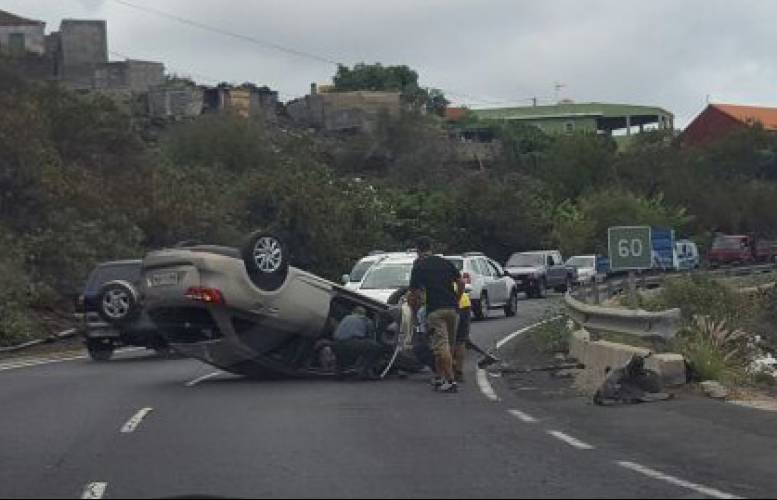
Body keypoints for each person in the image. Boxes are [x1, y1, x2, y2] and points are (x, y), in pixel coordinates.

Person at [408, 236, 465, 393]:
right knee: (448, 346)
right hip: (453, 309)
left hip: (435, 311)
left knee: (440, 347)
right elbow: (461, 282)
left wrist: (414, 313)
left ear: (418, 250)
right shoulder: (445, 262)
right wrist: (457, 299)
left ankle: (450, 381)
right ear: (430, 248)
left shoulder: (419, 266)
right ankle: (440, 378)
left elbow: (414, 294)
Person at [332, 306, 386, 380]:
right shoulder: (366, 320)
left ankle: (339, 372)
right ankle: (364, 372)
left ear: (353, 312)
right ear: (364, 314)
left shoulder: (346, 317)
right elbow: (370, 337)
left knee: (344, 350)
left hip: (335, 344)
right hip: (351, 343)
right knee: (375, 347)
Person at [453, 285, 472, 383]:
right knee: (460, 340)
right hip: (464, 303)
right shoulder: (451, 274)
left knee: (447, 339)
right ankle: (458, 372)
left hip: (448, 306)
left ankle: (449, 370)